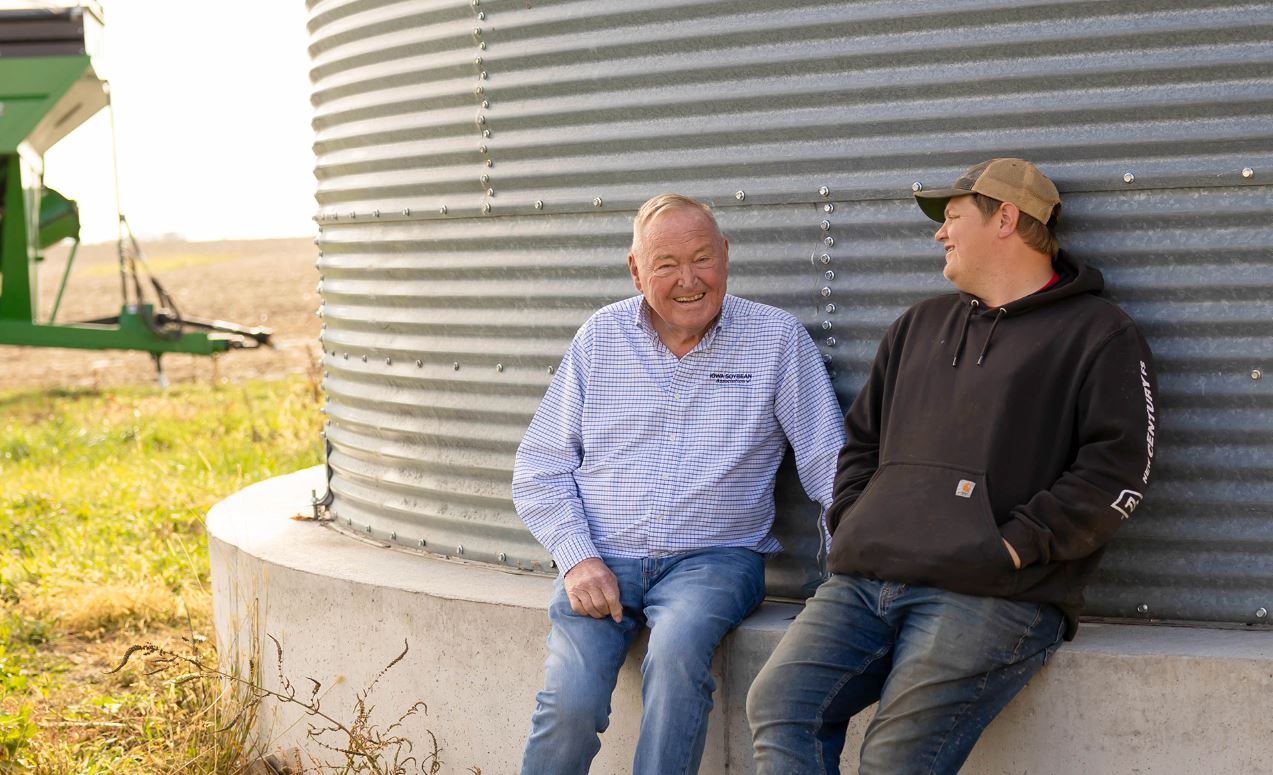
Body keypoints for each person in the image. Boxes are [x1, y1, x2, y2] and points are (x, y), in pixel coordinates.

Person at [747, 158, 1158, 774]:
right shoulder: (919, 325)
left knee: (894, 759)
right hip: (866, 582)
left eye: (954, 217)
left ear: (1007, 219)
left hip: (993, 594)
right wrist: (857, 520)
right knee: (780, 705)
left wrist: (1013, 547)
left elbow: (1117, 470)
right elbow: (860, 443)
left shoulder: (1099, 334)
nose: (940, 233)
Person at [512, 193, 845, 775]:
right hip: (602, 559)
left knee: (676, 657)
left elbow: (831, 464)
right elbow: (540, 467)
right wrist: (576, 558)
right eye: (665, 264)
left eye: (702, 258)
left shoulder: (776, 340)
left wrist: (853, 569)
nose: (688, 279)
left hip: (715, 562)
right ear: (636, 270)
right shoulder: (600, 338)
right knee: (568, 701)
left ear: (726, 256)